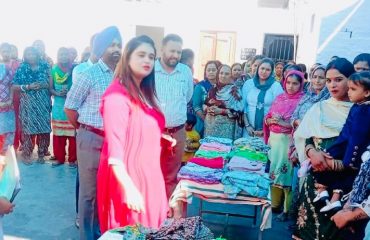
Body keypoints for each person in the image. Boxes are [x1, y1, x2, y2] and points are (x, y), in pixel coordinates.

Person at [97, 35, 168, 233]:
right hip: (128, 178)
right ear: (127, 58)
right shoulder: (117, 96)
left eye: (152, 57)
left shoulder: (144, 91)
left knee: (152, 230)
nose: (147, 60)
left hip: (151, 174)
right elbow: (115, 148)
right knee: (133, 232)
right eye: (141, 55)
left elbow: (138, 127)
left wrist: (158, 136)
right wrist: (128, 188)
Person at [64, 26, 122, 240]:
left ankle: (103, 232)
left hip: (115, 141)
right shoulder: (88, 74)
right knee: (89, 193)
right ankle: (87, 236)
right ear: (100, 48)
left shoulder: (123, 74)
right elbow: (70, 107)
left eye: (119, 45)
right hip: (91, 138)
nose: (116, 49)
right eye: (111, 45)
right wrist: (85, 131)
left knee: (108, 190)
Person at [292, 58, 355, 240]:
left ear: (350, 79)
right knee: (308, 229)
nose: (332, 85)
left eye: (338, 79)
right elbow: (305, 136)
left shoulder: (360, 111)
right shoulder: (319, 108)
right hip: (315, 178)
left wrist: (334, 164)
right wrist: (312, 153)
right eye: (329, 80)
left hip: (343, 183)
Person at [312, 71, 370, 213]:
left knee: (341, 176)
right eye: (349, 88)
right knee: (321, 163)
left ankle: (333, 198)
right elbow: (347, 131)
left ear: (367, 92)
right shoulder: (357, 106)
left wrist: (349, 162)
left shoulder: (365, 111)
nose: (349, 92)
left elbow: (357, 136)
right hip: (343, 147)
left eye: (353, 89)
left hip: (351, 155)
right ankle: (325, 192)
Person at [155, 34, 193, 199]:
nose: (175, 55)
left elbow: (188, 97)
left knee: (172, 175)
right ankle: (151, 216)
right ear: (162, 49)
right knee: (152, 174)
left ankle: (168, 216)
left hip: (177, 132)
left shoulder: (185, 72)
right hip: (154, 133)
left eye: (178, 52)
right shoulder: (150, 70)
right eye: (172, 51)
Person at [263, 70, 305, 221]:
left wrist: (283, 123)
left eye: (295, 83)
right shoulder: (279, 98)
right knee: (274, 172)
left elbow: (302, 124)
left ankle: (287, 210)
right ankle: (274, 204)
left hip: (288, 142)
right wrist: (270, 121)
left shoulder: (302, 101)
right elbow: (268, 116)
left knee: (287, 175)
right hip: (274, 141)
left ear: (301, 84)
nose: (291, 86)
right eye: (288, 82)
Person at [12, 47, 51, 165]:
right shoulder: (22, 68)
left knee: (43, 129)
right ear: (25, 55)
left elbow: (50, 82)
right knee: (28, 130)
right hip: (28, 103)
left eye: (33, 53)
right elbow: (14, 86)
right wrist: (28, 86)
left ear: (37, 54)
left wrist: (45, 85)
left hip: (43, 102)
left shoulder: (45, 66)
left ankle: (41, 154)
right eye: (28, 53)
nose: (31, 56)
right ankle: (27, 154)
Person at [242, 58, 284, 138]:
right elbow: (244, 106)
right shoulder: (248, 84)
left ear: (272, 71)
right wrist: (247, 126)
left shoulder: (276, 86)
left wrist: (266, 128)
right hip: (249, 130)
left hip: (268, 131)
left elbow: (279, 110)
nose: (264, 72)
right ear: (258, 69)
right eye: (262, 68)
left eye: (268, 70)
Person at [49, 48, 76, 167]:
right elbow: (50, 88)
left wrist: (70, 92)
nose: (63, 56)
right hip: (59, 105)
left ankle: (72, 159)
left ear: (70, 55)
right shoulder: (53, 69)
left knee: (73, 134)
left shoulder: (75, 69)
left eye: (65, 54)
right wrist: (56, 93)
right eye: (61, 54)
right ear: (57, 56)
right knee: (58, 134)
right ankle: (59, 158)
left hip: (72, 105)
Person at [204, 64, 243, 140]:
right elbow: (205, 104)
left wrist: (222, 111)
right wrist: (208, 109)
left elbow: (239, 112)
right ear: (218, 74)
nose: (223, 76)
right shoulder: (213, 89)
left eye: (227, 74)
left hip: (226, 130)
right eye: (221, 73)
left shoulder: (235, 91)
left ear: (231, 76)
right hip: (210, 128)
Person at [192, 61, 218, 137]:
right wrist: (206, 120)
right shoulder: (200, 86)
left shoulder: (221, 87)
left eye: (213, 70)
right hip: (202, 122)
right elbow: (196, 106)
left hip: (219, 122)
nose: (211, 72)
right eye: (208, 70)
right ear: (205, 72)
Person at [0, 64, 15, 157]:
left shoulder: (8, 69)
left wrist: (10, 99)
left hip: (8, 104)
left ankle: (7, 151)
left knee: (9, 129)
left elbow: (12, 85)